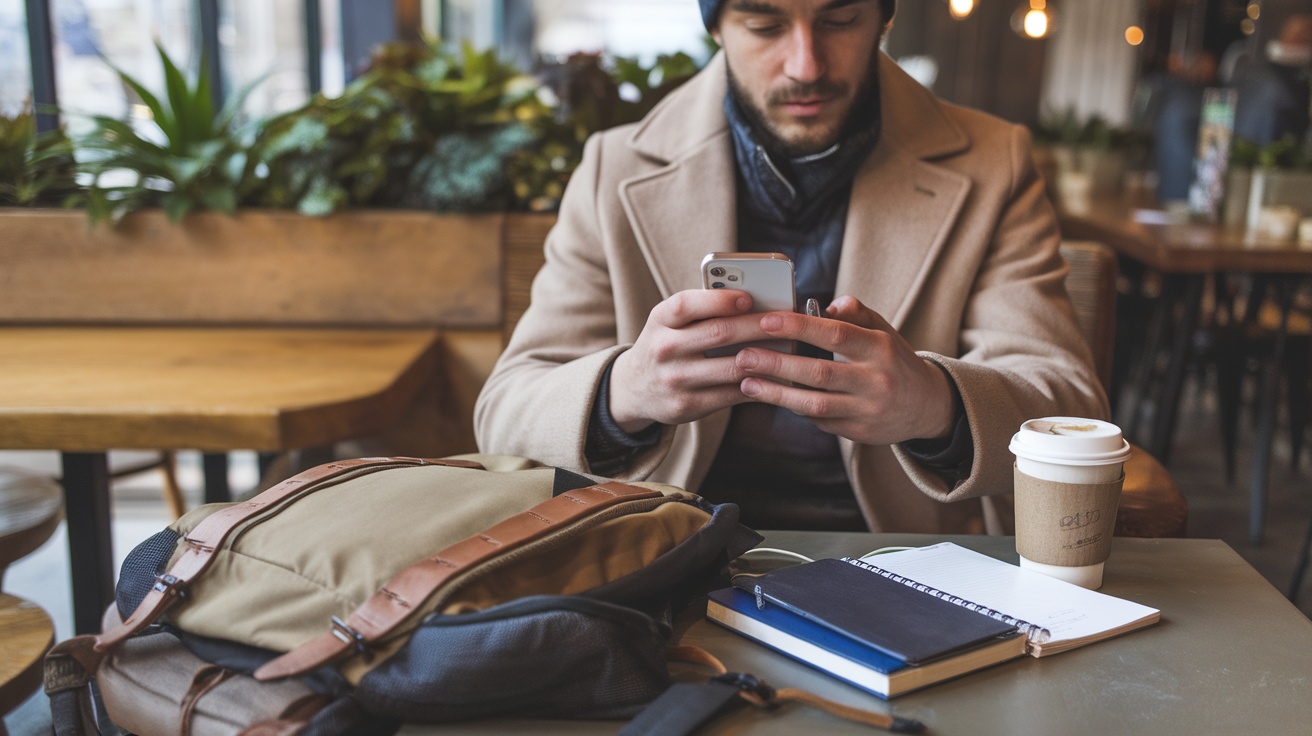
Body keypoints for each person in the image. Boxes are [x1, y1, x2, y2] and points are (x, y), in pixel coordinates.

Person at [475, 0, 1106, 535]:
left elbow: (1070, 404)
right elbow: (503, 413)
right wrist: (626, 392)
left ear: (884, 18)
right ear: (716, 25)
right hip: (663, 558)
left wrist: (932, 405)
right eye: (765, 24)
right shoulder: (614, 168)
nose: (806, 65)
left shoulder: (997, 163)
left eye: (839, 20)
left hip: (910, 567)